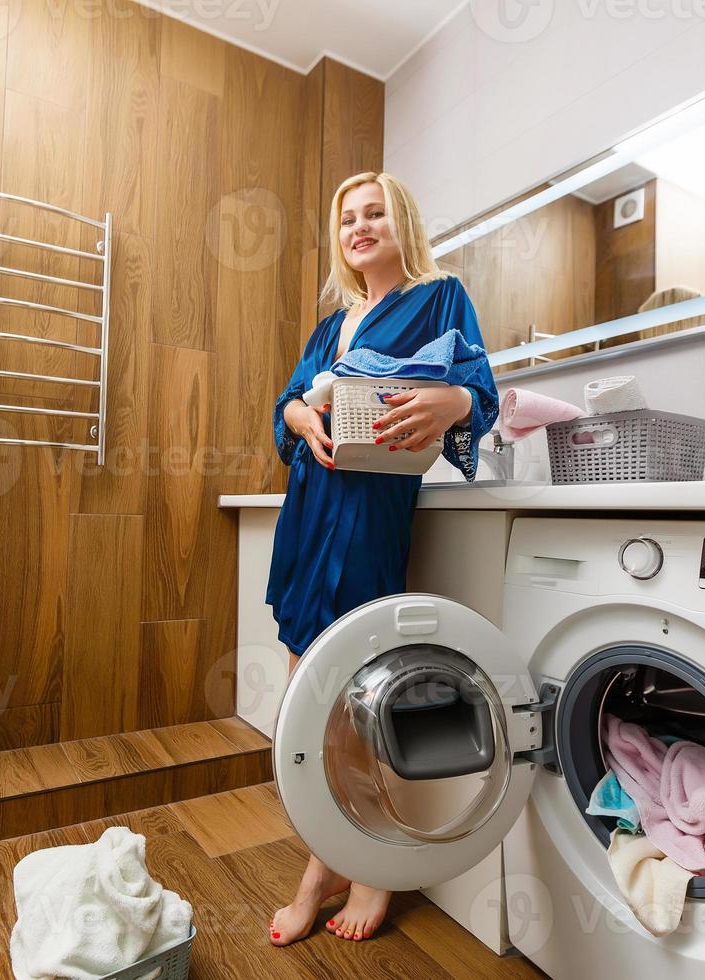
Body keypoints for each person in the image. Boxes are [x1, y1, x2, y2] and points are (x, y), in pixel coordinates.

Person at [265, 172, 498, 945]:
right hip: (309, 514)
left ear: (403, 223)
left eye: (375, 214)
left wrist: (454, 404)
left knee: (356, 700)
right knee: (307, 703)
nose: (360, 227)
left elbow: (479, 391)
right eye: (348, 219)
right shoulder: (331, 324)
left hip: (368, 516)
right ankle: (327, 859)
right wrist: (301, 417)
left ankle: (362, 864)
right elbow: (288, 403)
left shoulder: (440, 297)